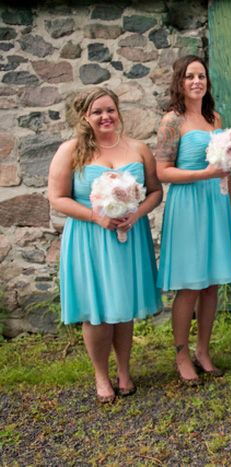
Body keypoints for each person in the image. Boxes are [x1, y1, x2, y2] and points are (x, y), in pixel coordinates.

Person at [47, 87, 162, 403]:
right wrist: (96, 217)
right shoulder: (70, 151)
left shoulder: (138, 149)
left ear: (118, 111)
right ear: (85, 116)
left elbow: (155, 191)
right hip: (90, 237)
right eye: (97, 111)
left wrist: (137, 213)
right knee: (97, 310)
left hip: (129, 235)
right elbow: (57, 198)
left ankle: (124, 371)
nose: (105, 116)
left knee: (123, 306)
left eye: (110, 109)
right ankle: (102, 376)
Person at [156, 55, 231, 385]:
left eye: (201, 76)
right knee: (191, 284)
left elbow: (226, 168)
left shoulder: (214, 118)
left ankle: (203, 351)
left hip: (216, 202)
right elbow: (163, 171)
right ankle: (181, 355)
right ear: (180, 82)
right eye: (190, 76)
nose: (197, 81)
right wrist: (202, 173)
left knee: (211, 284)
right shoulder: (172, 121)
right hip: (188, 203)